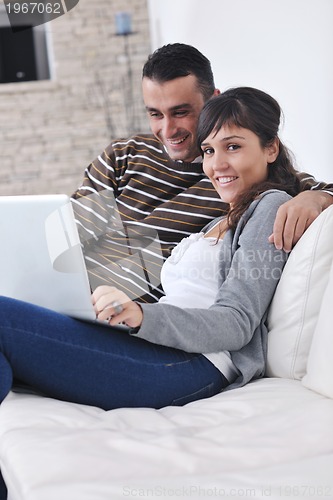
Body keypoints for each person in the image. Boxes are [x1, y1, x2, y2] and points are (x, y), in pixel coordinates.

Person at [0, 85, 313, 499]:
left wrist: (143, 317)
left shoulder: (270, 208)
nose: (217, 164)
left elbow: (236, 323)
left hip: (189, 367)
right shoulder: (220, 220)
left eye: (233, 147)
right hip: (156, 350)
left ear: (270, 149)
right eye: (209, 151)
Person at [71, 43, 333, 303]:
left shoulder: (239, 178)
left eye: (180, 112)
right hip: (81, 300)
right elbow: (68, 239)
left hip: (137, 321)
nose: (168, 129)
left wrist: (316, 198)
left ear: (213, 100)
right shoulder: (123, 155)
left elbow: (316, 189)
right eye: (155, 114)